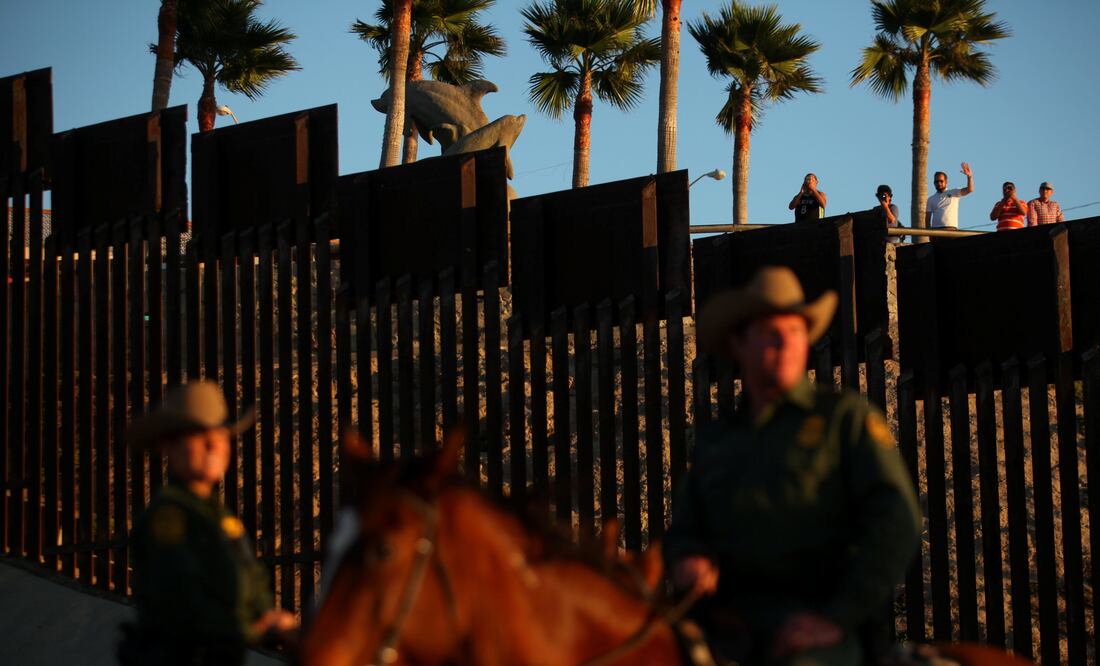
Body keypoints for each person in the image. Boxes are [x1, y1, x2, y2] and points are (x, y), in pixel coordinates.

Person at [665, 266, 920, 666]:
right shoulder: (718, 438)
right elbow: (685, 528)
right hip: (724, 623)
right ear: (739, 344)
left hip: (820, 624)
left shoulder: (844, 420)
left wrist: (836, 617)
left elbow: (897, 521)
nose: (786, 343)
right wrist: (688, 558)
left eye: (797, 331)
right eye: (770, 332)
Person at [119, 381, 297, 666]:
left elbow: (251, 580)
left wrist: (271, 617)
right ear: (168, 445)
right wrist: (255, 629)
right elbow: (183, 600)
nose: (215, 443)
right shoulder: (170, 517)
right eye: (198, 434)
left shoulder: (219, 516)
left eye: (221, 433)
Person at [925, 162, 973, 229]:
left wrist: (969, 177)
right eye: (936, 181)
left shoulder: (954, 192)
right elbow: (927, 219)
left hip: (951, 230)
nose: (939, 183)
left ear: (946, 181)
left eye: (941, 181)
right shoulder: (931, 199)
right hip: (936, 232)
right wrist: (930, 233)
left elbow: (969, 190)